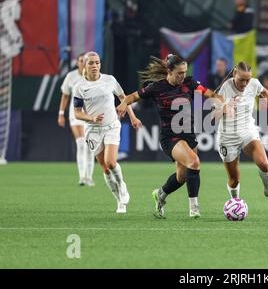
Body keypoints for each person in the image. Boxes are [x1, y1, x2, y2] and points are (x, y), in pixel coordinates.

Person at [116, 54, 224, 219]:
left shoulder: (190, 84)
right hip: (170, 138)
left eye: (184, 72)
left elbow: (212, 95)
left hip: (189, 135)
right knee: (194, 162)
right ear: (169, 71)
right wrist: (124, 104)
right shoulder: (156, 88)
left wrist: (219, 104)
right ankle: (194, 209)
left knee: (182, 177)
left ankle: (160, 194)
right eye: (179, 72)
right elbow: (132, 97)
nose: (182, 76)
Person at [73, 51, 142, 213]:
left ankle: (122, 186)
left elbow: (124, 98)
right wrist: (91, 118)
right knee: (104, 168)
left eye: (97, 63)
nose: (95, 66)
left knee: (111, 162)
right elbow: (77, 112)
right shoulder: (79, 87)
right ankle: (119, 200)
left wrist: (133, 117)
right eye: (91, 63)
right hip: (93, 130)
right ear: (85, 65)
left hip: (111, 126)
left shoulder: (109, 80)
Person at [215, 62, 268, 206]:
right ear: (235, 74)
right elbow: (213, 115)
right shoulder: (225, 87)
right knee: (234, 179)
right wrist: (224, 108)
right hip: (227, 137)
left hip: (248, 130)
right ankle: (235, 201)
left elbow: (265, 92)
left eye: (247, 79)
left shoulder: (254, 84)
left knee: (264, 164)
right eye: (241, 79)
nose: (245, 83)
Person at [58, 53, 95, 187]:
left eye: (85, 61)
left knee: (90, 146)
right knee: (80, 144)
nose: (82, 63)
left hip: (90, 115)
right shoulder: (71, 76)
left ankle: (89, 177)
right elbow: (65, 95)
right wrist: (61, 113)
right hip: (76, 114)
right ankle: (82, 177)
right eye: (80, 60)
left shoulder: (93, 76)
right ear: (78, 62)